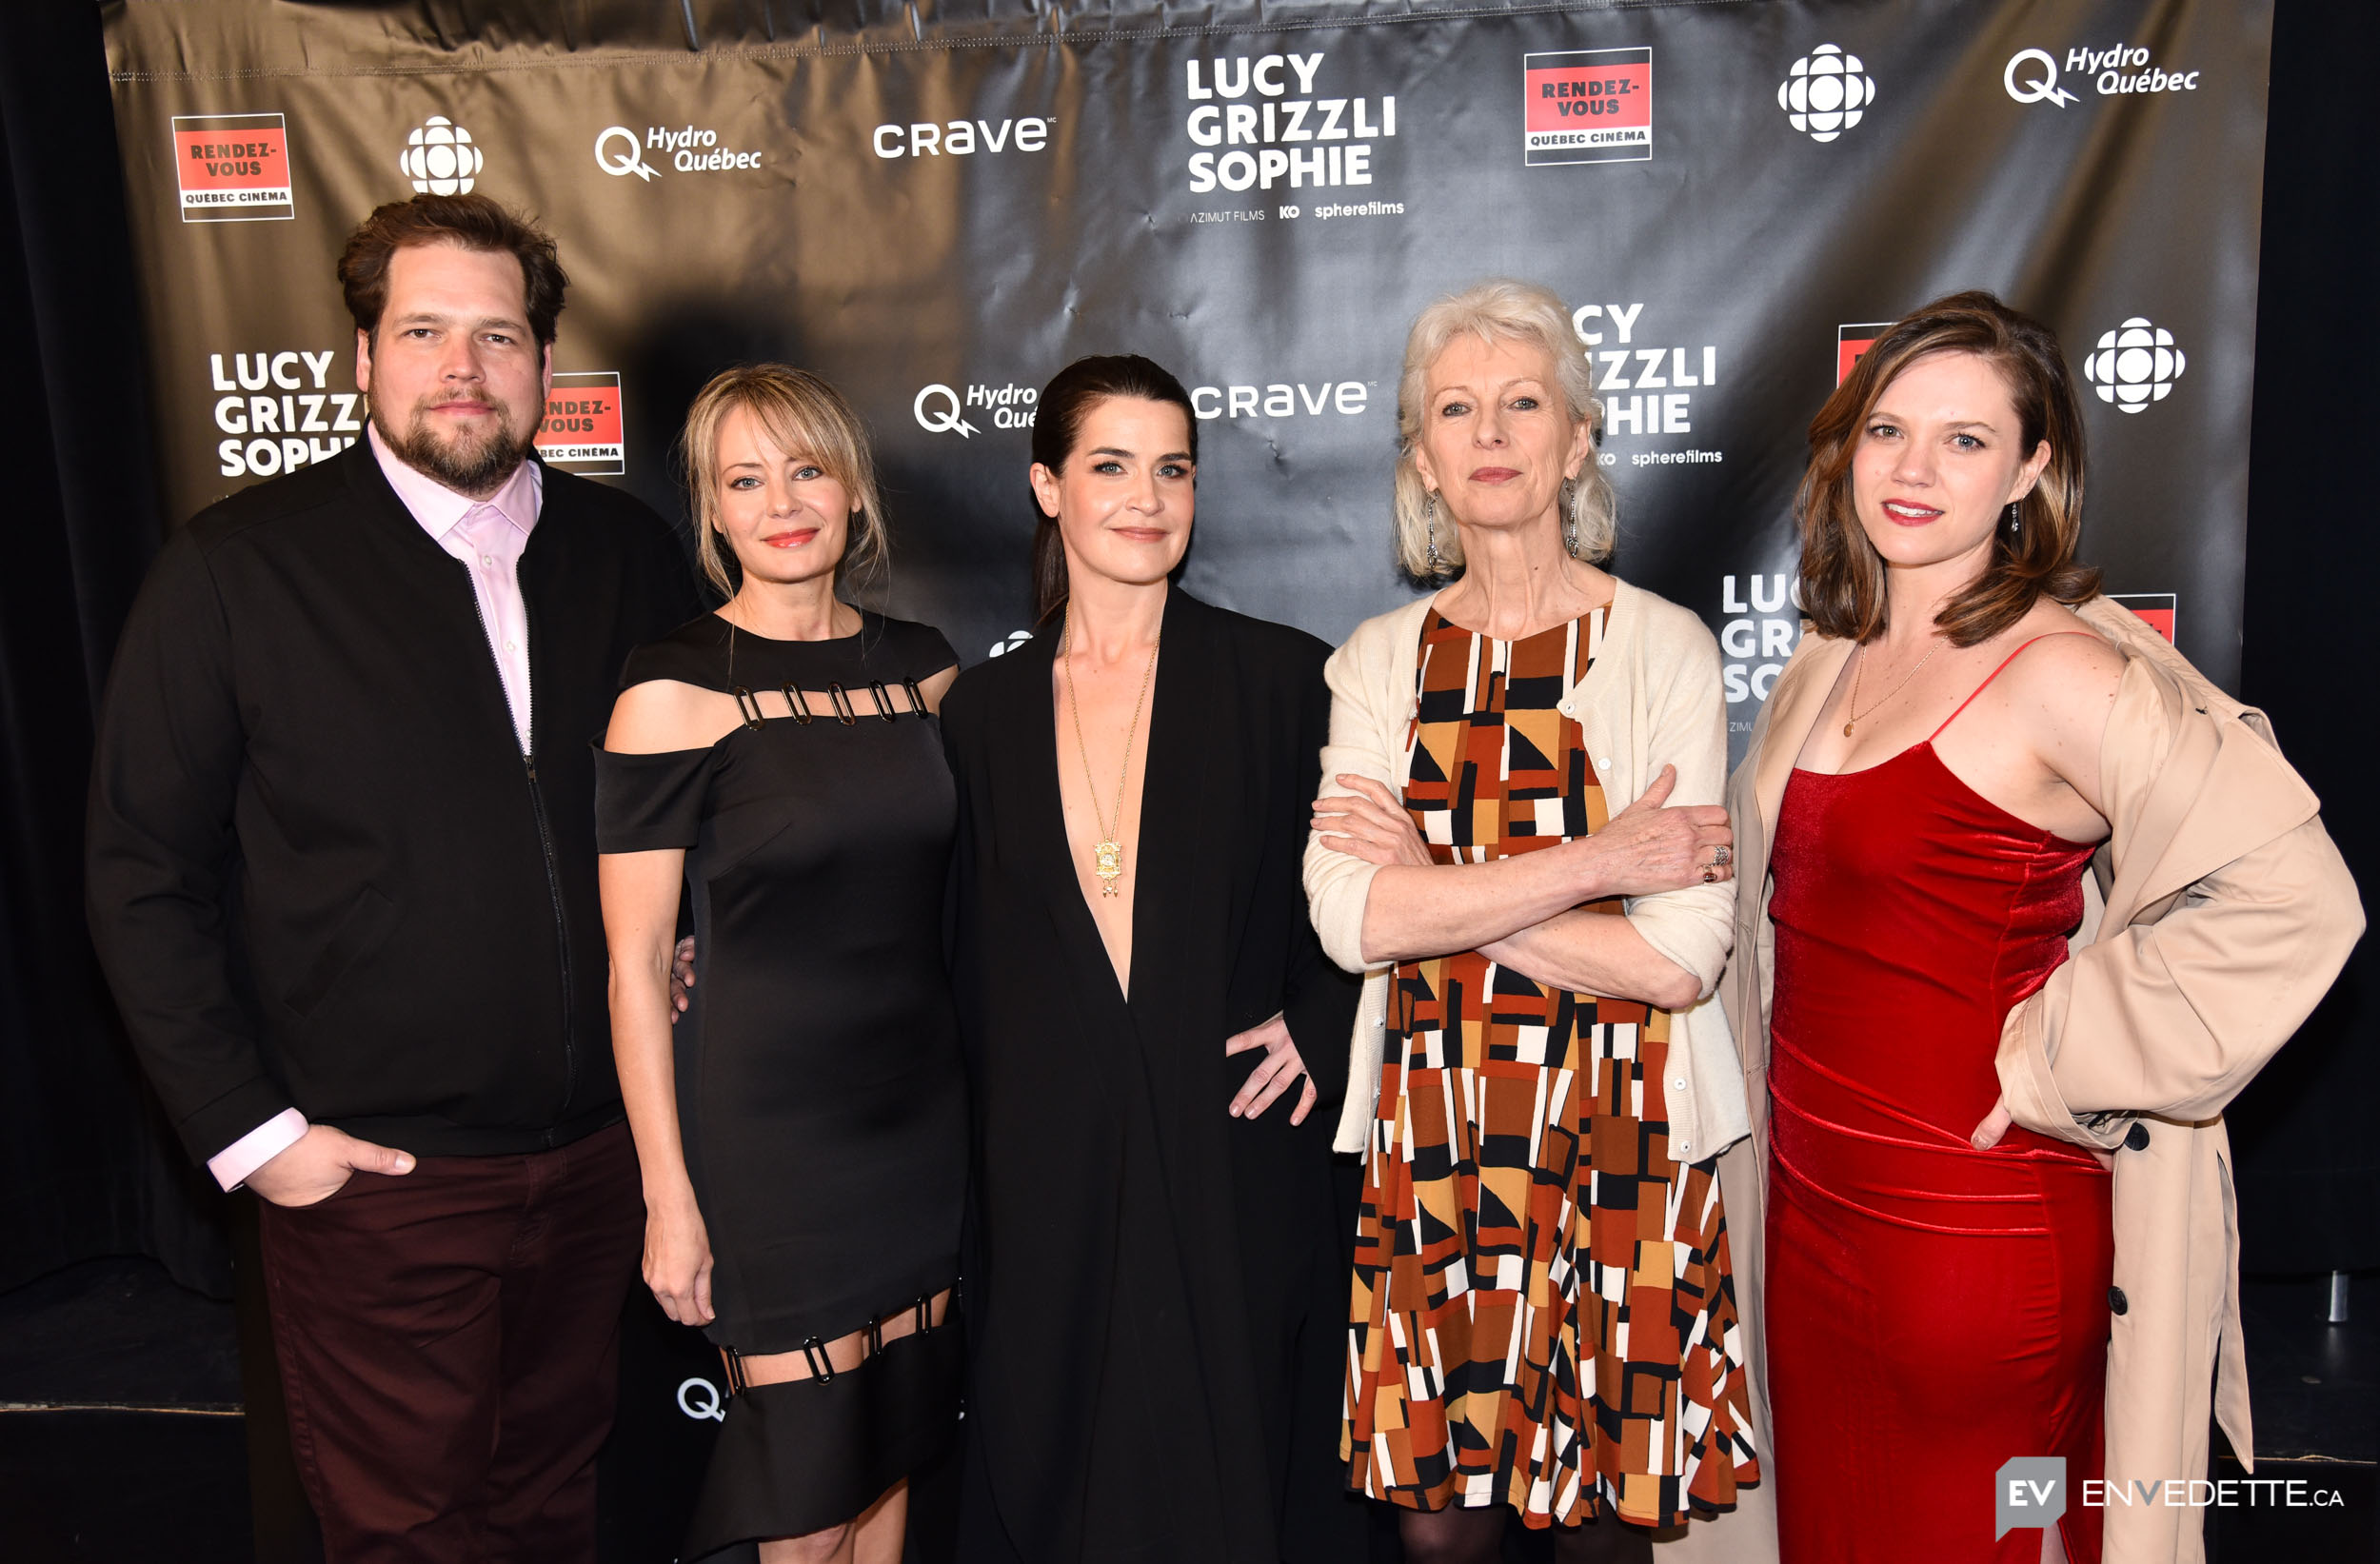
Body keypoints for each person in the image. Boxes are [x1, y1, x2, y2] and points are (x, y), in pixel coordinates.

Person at [84, 193, 700, 1560]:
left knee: (551, 1503)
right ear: (362, 357)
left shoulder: (631, 555)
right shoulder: (235, 572)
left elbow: (692, 815)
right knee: (408, 1531)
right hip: (382, 1181)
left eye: (498, 333)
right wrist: (260, 1138)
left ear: (546, 365)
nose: (462, 366)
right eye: (423, 330)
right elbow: (140, 871)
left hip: (603, 1161)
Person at [1718, 291, 2361, 1564]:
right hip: (1808, 1217)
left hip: (1972, 1235)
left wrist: (2066, 1050)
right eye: (1888, 428)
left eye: (1965, 440)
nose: (1912, 469)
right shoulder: (1829, 655)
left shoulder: (2065, 670)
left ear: (2033, 468)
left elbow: (2301, 898)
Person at [1305, 279, 1760, 1564]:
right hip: (1431, 1129)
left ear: (1575, 440)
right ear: (1423, 461)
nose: (1491, 430)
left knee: (1604, 1527)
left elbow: (1676, 959)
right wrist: (1597, 860)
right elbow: (1352, 915)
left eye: (1523, 402)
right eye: (1456, 408)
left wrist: (1446, 893)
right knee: (1438, 1530)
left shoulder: (1666, 646)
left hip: (1618, 1130)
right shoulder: (1376, 659)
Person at [942, 354, 1364, 1563]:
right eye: (1110, 465)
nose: (1145, 496)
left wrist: (1321, 1024)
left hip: (1240, 1149)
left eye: (1171, 467)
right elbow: (943, 945)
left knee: (1250, 1474)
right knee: (1066, 1462)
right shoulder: (980, 711)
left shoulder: (1287, 678)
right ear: (1046, 487)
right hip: (1050, 1172)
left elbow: (1371, 895)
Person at [597, 365, 965, 1563]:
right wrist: (668, 1195)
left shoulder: (926, 667)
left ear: (852, 487)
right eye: (743, 479)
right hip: (765, 1146)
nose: (782, 501)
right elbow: (639, 959)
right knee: (803, 1493)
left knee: (883, 1459)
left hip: (918, 1125)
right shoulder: (674, 691)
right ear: (711, 513)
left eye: (806, 468)